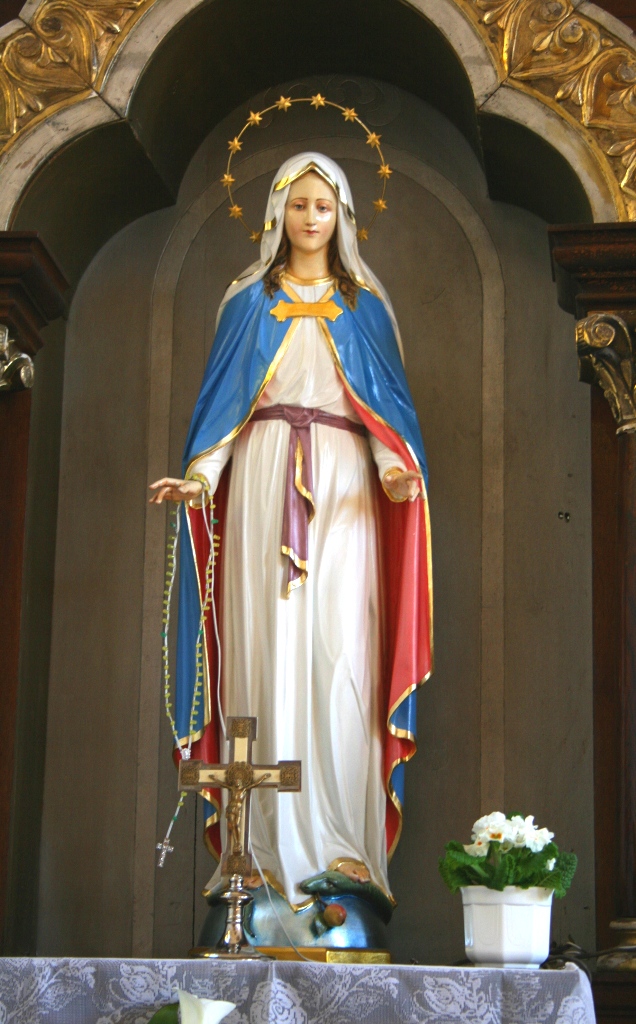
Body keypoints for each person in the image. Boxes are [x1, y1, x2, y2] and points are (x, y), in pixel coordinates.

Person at [150, 152, 432, 908]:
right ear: (278, 212)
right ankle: (262, 855)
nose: (311, 218)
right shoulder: (248, 302)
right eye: (300, 204)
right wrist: (199, 479)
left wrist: (395, 471)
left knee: (343, 654)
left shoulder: (366, 306)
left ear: (343, 216)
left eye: (324, 206)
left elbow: (385, 409)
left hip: (344, 489)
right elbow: (222, 410)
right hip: (263, 481)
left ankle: (343, 847)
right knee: (264, 649)